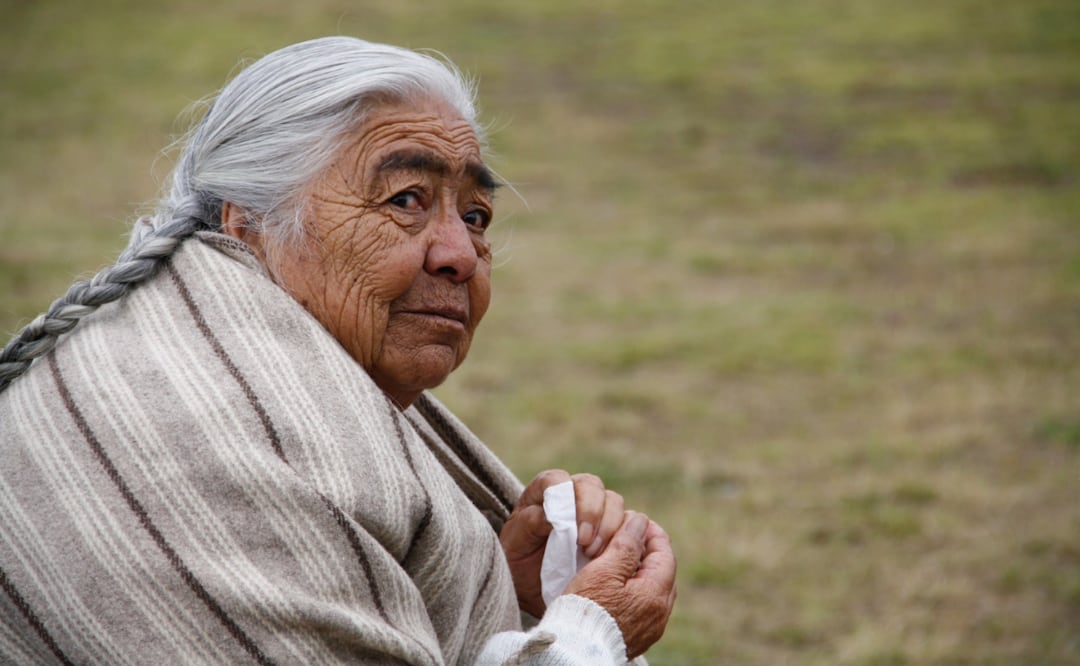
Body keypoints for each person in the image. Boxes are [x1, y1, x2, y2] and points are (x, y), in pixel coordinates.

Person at [0, 37, 676, 664]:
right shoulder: (215, 445)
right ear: (249, 224)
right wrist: (588, 634)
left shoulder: (227, 363)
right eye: (405, 199)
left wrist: (514, 597)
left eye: (474, 216)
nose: (460, 255)